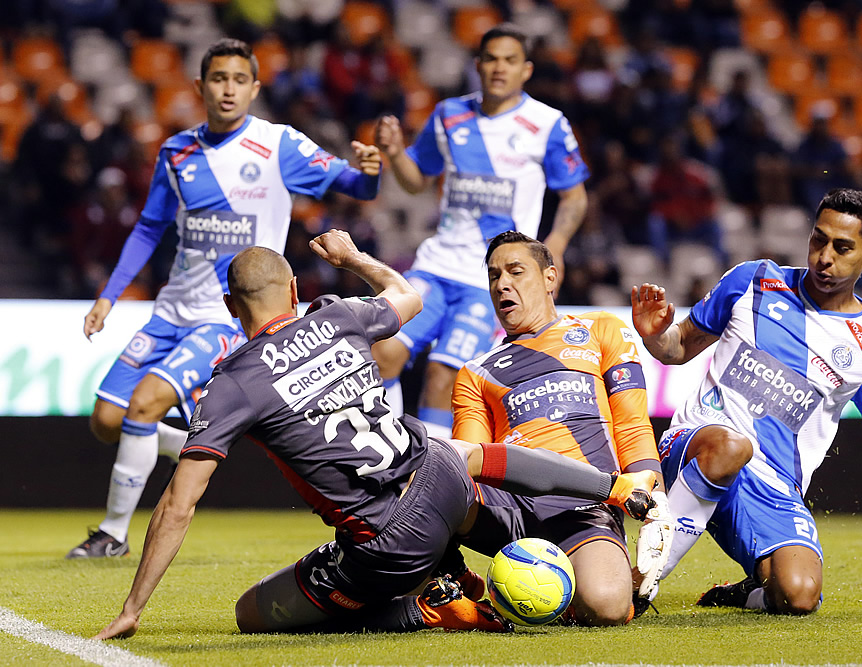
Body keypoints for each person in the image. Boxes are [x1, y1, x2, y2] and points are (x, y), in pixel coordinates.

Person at [93, 231, 656, 639]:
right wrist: (354, 258)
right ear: (294, 289)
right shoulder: (338, 316)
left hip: (391, 542)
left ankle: (433, 606)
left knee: (252, 614)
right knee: (459, 452)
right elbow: (406, 295)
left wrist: (132, 606)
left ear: (228, 307)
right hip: (443, 481)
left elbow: (177, 504)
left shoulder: (233, 383)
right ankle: (579, 503)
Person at [67, 38, 383, 559]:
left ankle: (112, 535)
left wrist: (369, 171)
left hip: (227, 315)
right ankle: (176, 446)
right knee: (108, 420)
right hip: (172, 309)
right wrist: (108, 296)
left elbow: (356, 186)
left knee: (142, 408)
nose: (228, 89)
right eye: (218, 79)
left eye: (239, 79)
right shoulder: (177, 151)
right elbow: (148, 228)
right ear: (200, 86)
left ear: (255, 88)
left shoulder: (279, 145)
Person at [632, 188, 862, 613]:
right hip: (696, 446)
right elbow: (679, 349)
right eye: (819, 239)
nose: (824, 257)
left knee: (800, 595)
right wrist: (654, 335)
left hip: (772, 484)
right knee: (731, 446)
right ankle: (635, 584)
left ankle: (744, 594)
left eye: (842, 248)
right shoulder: (752, 280)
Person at [371, 23, 589, 439]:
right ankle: (386, 463)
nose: (499, 68)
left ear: (525, 70)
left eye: (509, 60)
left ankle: (429, 483)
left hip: (490, 278)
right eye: (491, 59)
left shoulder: (547, 124)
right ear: (478, 65)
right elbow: (418, 179)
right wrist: (396, 153)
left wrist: (554, 247)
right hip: (435, 265)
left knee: (442, 378)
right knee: (381, 355)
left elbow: (575, 197)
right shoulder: (449, 115)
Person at [451, 231, 664, 627]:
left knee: (608, 607)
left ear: (550, 278)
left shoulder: (601, 329)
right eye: (494, 276)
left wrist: (656, 499)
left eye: (516, 271)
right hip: (508, 511)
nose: (503, 285)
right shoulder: (475, 373)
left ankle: (553, 588)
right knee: (432, 480)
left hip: (581, 507)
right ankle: (448, 578)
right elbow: (468, 460)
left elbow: (632, 423)